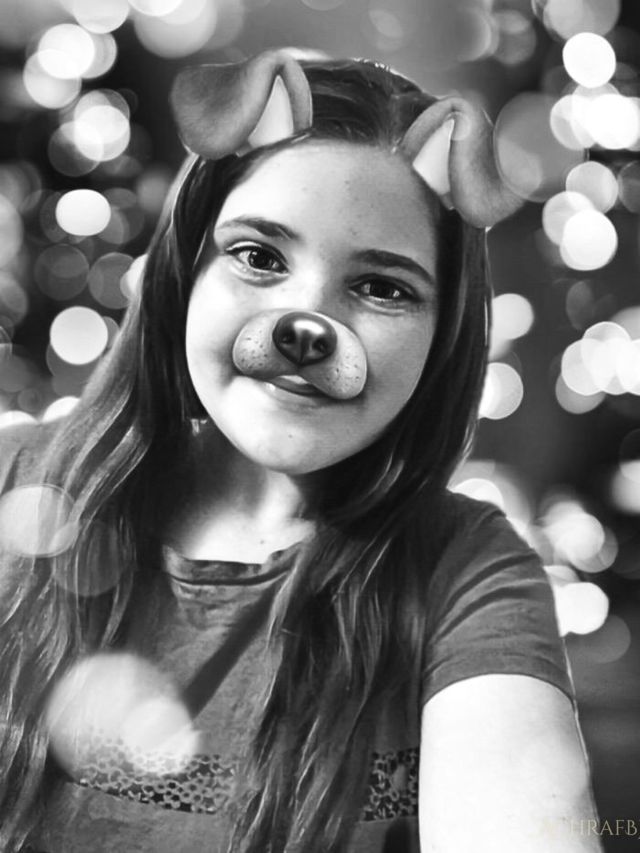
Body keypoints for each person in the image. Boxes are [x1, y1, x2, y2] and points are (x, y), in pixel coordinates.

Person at [0, 51, 602, 853]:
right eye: (258, 256)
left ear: (442, 336)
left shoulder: (467, 574)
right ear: (185, 270)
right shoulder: (14, 482)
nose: (307, 324)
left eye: (383, 287)